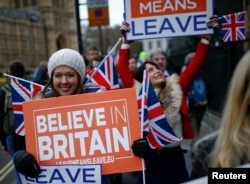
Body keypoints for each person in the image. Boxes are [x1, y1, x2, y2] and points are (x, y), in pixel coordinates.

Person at [117, 18, 218, 183]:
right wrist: (125, 42)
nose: (156, 70)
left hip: (175, 160)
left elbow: (194, 66)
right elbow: (122, 68)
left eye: (156, 68)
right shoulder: (138, 93)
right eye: (150, 70)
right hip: (149, 161)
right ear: (142, 78)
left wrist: (205, 39)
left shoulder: (176, 88)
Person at [19, 48, 110, 184]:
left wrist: (135, 148)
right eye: (58, 75)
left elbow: (115, 143)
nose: (64, 81)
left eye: (70, 75)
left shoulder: (97, 104)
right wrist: (20, 157)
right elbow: (26, 147)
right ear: (51, 77)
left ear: (79, 76)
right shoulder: (38, 106)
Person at [191, 50, 250, 178]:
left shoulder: (203, 77)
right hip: (193, 111)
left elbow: (210, 91)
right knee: (194, 131)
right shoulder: (209, 152)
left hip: (203, 109)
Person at [0, 60, 26, 184]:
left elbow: (0, 118)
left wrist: (4, 143)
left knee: (18, 167)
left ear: (9, 73)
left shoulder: (4, 91)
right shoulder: (31, 89)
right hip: (31, 134)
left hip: (12, 135)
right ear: (25, 72)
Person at [181, 52, 210, 145]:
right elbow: (211, 92)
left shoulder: (187, 76)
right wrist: (205, 102)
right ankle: (196, 150)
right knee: (196, 129)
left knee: (195, 130)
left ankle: (195, 149)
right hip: (199, 108)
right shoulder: (203, 76)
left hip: (193, 108)